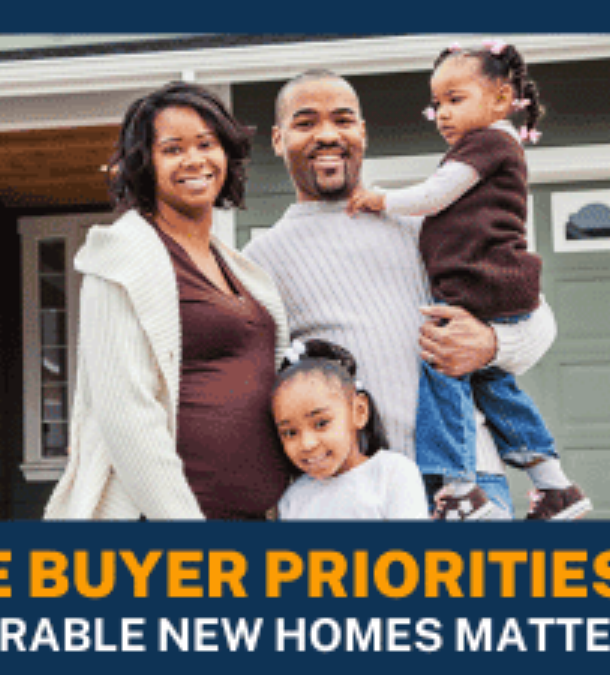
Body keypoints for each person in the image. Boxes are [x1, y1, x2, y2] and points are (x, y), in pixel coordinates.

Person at [243, 69, 557, 521]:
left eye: (343, 120)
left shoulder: (431, 224)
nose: (328, 134)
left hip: (468, 486)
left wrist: (491, 344)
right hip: (356, 496)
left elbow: (539, 323)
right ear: (278, 139)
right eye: (306, 122)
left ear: (363, 133)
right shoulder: (261, 261)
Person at [345, 41, 590, 521]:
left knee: (443, 367)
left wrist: (380, 199)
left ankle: (458, 485)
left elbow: (435, 196)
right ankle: (554, 483)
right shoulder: (493, 146)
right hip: (493, 285)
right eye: (435, 103)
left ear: (500, 99)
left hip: (480, 283)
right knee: (494, 385)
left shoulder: (489, 143)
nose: (441, 113)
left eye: (455, 99)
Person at [44, 82, 293, 521]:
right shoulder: (120, 257)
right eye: (173, 149)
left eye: (206, 144)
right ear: (145, 164)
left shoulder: (238, 267)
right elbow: (126, 416)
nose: (194, 160)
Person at [273, 338, 429, 520]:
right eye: (290, 433)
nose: (307, 444)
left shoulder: (392, 473)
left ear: (359, 411)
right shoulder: (294, 499)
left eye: (321, 423)